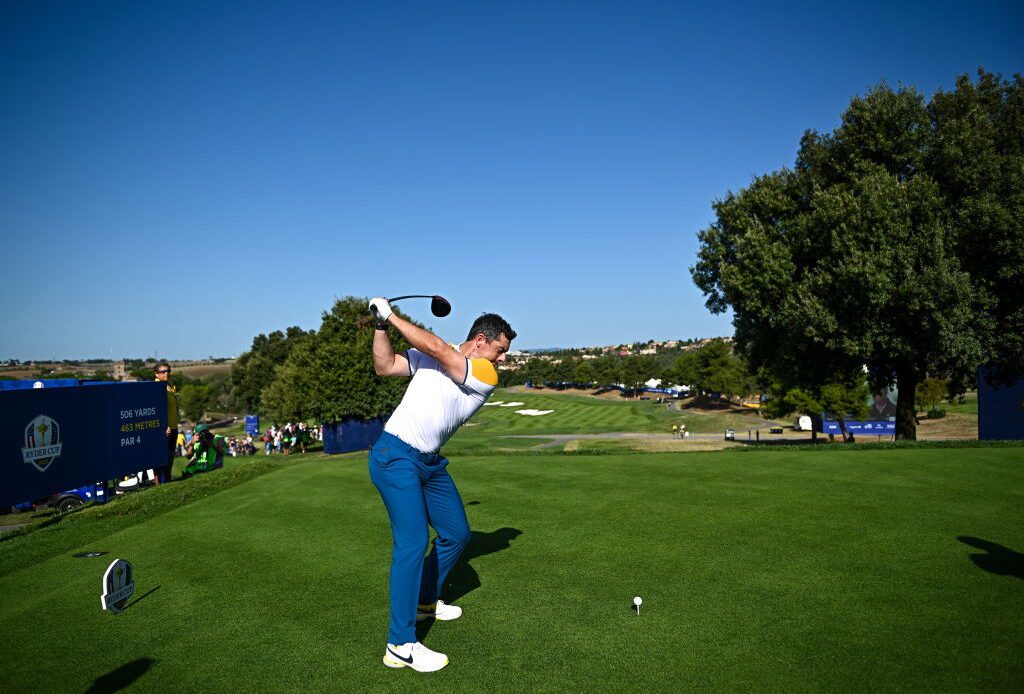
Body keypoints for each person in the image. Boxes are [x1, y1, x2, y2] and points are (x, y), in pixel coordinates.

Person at [367, 297, 515, 673]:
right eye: (500, 351)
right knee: (413, 543)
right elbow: (384, 366)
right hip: (395, 456)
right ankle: (400, 644)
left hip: (430, 462)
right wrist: (381, 326)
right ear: (481, 340)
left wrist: (392, 315)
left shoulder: (484, 375)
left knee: (457, 534)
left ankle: (424, 601)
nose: (502, 360)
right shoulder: (441, 355)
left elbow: (435, 347)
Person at [155, 361, 179, 484]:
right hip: (165, 428)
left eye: (168, 371)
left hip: (174, 427)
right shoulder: (157, 387)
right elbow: (156, 409)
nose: (166, 373)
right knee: (160, 459)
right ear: (156, 374)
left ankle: (168, 482)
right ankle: (158, 484)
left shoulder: (169, 386)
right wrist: (163, 426)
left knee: (170, 457)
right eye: (163, 371)